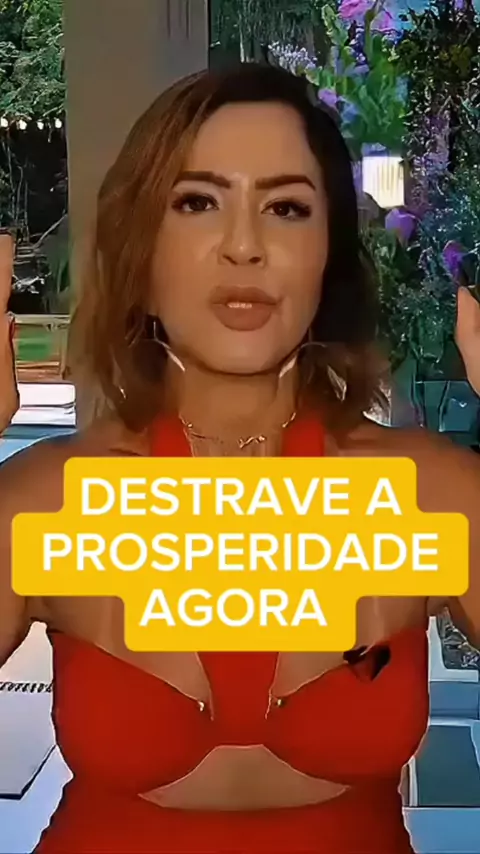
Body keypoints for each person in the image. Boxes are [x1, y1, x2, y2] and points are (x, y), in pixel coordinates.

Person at [0, 63, 479, 854]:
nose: (245, 247)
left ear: (328, 257)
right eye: (198, 203)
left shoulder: (434, 491)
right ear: (140, 250)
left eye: (286, 208)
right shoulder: (41, 500)